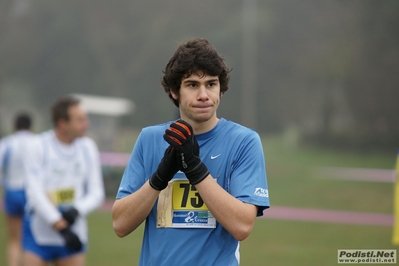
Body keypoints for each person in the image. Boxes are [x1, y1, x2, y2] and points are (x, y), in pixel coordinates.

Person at [112, 38, 270, 265]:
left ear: (221, 90)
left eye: (211, 84)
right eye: (193, 85)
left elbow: (242, 226)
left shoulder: (244, 141)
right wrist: (159, 178)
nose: (204, 95)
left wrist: (195, 169)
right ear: (174, 91)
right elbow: (120, 224)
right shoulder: (150, 139)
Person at [22, 96, 105, 266]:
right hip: (40, 232)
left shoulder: (88, 147)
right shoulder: (38, 145)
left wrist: (75, 211)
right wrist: (59, 224)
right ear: (62, 124)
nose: (86, 124)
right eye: (80, 120)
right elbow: (34, 193)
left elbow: (97, 193)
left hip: (74, 233)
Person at [0, 112, 35, 266]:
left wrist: (5, 182)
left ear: (15, 126)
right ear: (31, 126)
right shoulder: (37, 142)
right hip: (32, 193)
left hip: (12, 191)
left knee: (14, 239)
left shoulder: (7, 143)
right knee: (32, 240)